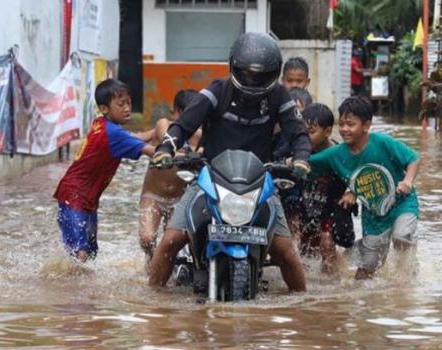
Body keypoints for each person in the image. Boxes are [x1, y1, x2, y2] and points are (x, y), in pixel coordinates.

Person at [149, 32, 312, 292]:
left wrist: (302, 159)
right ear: (234, 67)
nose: (253, 79)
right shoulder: (216, 91)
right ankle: (153, 301)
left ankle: (303, 308)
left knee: (287, 253)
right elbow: (183, 125)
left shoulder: (280, 96)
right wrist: (166, 148)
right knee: (170, 240)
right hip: (209, 177)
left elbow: (299, 133)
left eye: (261, 74)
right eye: (247, 73)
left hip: (260, 182)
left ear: (273, 73)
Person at [309, 96, 419, 279]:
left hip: (402, 203)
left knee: (402, 235)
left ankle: (411, 274)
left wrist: (407, 181)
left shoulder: (383, 142)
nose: (344, 129)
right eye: (342, 124)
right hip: (374, 214)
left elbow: (413, 158)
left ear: (366, 126)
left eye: (350, 124)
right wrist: (289, 161)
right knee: (367, 268)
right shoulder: (336, 154)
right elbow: (309, 163)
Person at [54, 79, 155, 262]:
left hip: (84, 198)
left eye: (129, 103)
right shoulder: (114, 133)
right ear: (104, 108)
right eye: (121, 104)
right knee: (80, 254)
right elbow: (151, 152)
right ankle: (71, 290)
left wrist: (158, 131)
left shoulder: (102, 124)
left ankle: (79, 288)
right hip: (75, 198)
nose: (127, 108)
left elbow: (136, 138)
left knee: (90, 251)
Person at [138, 89, 200, 260]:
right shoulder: (163, 124)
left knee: (172, 244)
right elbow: (169, 141)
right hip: (153, 196)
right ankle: (151, 262)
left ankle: (167, 268)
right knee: (147, 238)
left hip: (179, 200)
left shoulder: (200, 135)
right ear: (175, 112)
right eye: (185, 114)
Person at [296, 103, 356, 275]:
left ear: (328, 131)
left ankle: (331, 283)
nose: (306, 137)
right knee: (305, 247)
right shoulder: (301, 152)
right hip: (307, 204)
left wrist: (352, 193)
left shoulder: (339, 155)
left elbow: (357, 176)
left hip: (330, 207)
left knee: (327, 242)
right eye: (304, 131)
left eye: (311, 132)